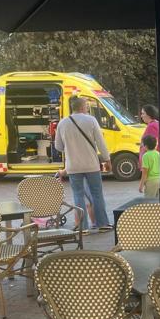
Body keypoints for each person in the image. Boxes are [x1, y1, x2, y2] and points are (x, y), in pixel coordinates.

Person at [55, 96, 112, 231]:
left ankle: (83, 227)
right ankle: (102, 224)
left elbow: (58, 146)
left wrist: (71, 145)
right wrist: (107, 160)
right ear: (82, 107)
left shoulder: (62, 123)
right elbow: (101, 143)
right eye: (86, 106)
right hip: (91, 165)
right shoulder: (91, 120)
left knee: (78, 195)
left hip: (73, 166)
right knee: (97, 194)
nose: (87, 109)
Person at [139, 104, 160, 169]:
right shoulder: (155, 123)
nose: (141, 116)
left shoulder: (152, 126)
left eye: (143, 113)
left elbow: (152, 145)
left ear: (149, 114)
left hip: (150, 163)